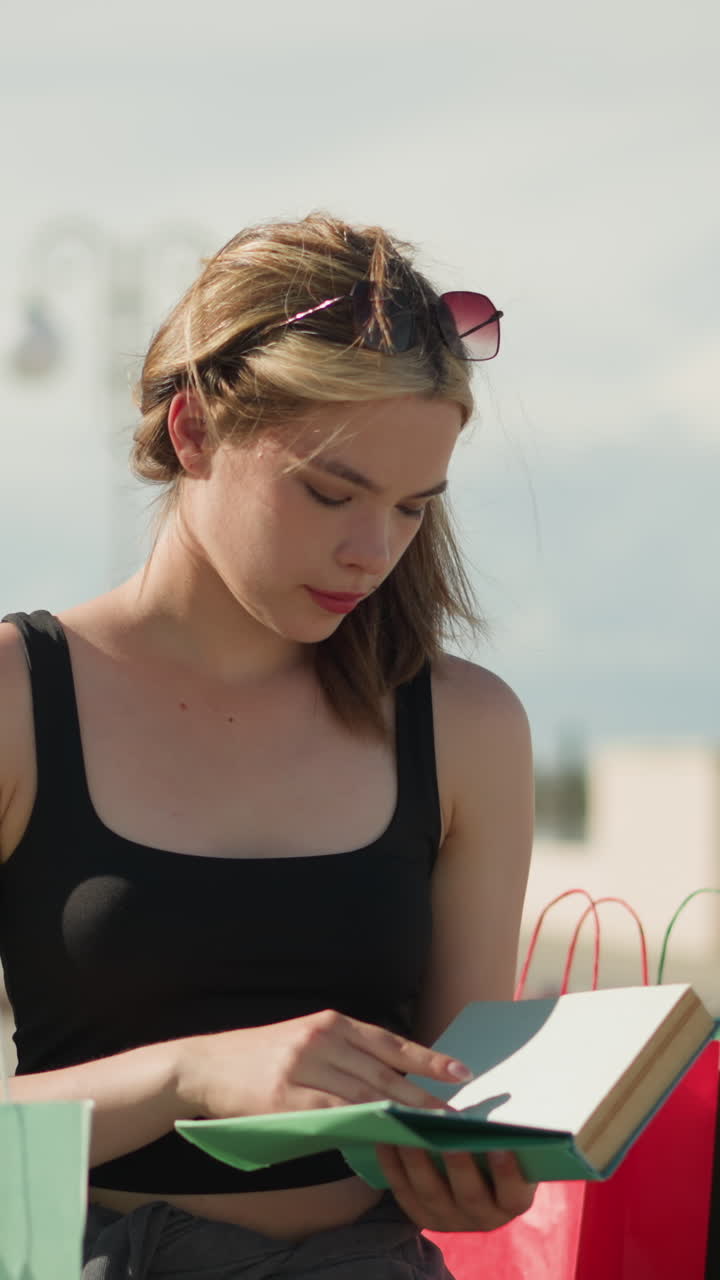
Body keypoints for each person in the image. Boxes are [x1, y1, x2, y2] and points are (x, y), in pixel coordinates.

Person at [0, 212, 535, 1278]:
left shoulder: (466, 727)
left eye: (412, 509)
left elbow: (462, 1104)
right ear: (192, 429)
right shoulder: (18, 698)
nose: (372, 550)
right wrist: (189, 1073)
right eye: (331, 491)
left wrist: (480, 1168)